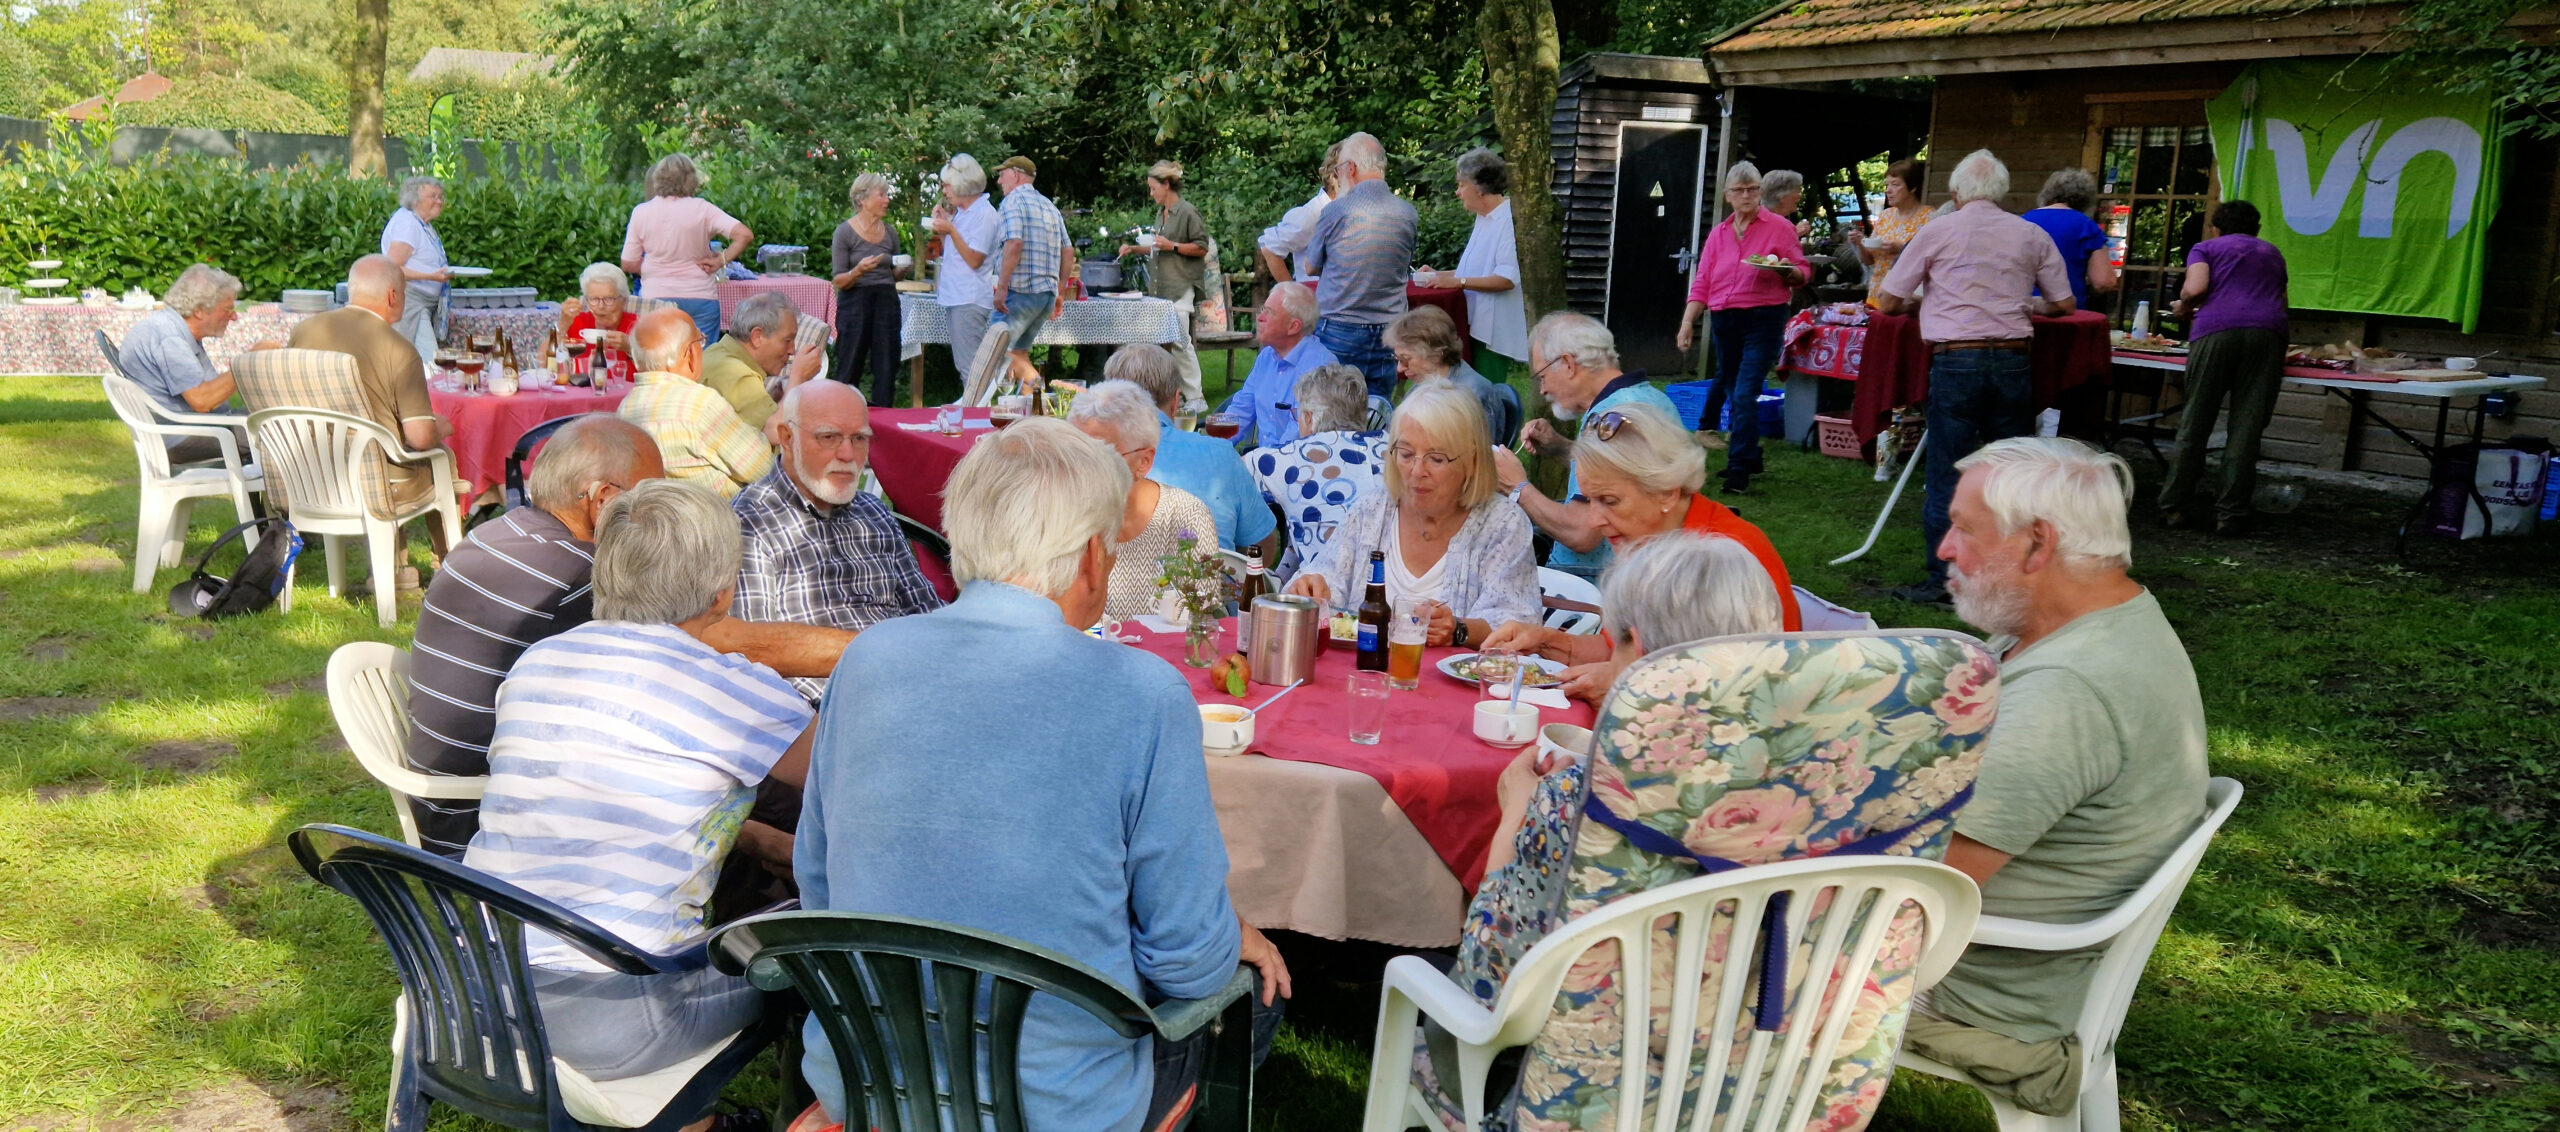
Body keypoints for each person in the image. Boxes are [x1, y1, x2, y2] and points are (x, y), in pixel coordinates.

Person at [793, 415, 1289, 1132]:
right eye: (1113, 550)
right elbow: (1188, 964)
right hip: (1059, 1110)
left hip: (869, 1081)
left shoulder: (866, 660)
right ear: (1093, 556)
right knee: (1257, 996)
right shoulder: (1143, 693)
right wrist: (1224, 936)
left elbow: (820, 886)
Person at [461, 479, 811, 1101]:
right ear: (724, 589)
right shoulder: (729, 686)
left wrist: (755, 839)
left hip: (473, 991)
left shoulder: (539, 660)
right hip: (616, 1018)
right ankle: (711, 1112)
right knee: (815, 942)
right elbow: (852, 785)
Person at [1906, 437, 2208, 1116]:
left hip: (1975, 992)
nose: (1945, 549)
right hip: (2017, 961)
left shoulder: (2067, 691)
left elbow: (1917, 888)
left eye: (1964, 528)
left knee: (1665, 939)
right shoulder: (2099, 625)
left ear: (2037, 544)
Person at [406, 414, 860, 859]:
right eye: (652, 494)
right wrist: (880, 650)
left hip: (482, 832)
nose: (656, 510)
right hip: (487, 815)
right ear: (604, 499)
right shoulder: (583, 577)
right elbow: (737, 646)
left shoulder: (491, 535)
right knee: (776, 786)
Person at [1485, 401, 1802, 701]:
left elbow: (1734, 693)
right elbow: (1617, 647)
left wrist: (1628, 684)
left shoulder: (1728, 559)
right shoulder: (1650, 539)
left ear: (1666, 492)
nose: (1595, 520)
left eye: (1609, 501)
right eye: (1590, 500)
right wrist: (1544, 642)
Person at [1874, 149, 2075, 606]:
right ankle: (2012, 575)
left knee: (1949, 470)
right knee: (2010, 473)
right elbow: (2063, 304)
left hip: (1956, 359)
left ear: (1956, 192)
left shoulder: (1937, 230)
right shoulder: (2031, 232)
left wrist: (1927, 302)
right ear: (2002, 191)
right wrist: (2030, 305)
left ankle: (1946, 579)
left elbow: (1887, 302)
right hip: (2012, 359)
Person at [732, 380, 944, 701]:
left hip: (911, 685)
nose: (847, 454)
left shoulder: (873, 513)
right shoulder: (750, 522)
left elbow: (925, 612)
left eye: (859, 439)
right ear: (787, 438)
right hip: (829, 710)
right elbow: (757, 658)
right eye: (828, 437)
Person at [1285, 384, 1538, 645]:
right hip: (1364, 676)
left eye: (1437, 459)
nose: (1417, 471)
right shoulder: (1373, 509)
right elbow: (1329, 581)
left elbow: (1521, 624)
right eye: (1405, 454)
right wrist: (1312, 588)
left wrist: (1459, 630)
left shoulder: (1503, 524)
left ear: (1472, 461)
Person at [272, 254, 453, 525]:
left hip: (307, 472)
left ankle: (399, 562)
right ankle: (445, 553)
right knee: (441, 454)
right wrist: (441, 426)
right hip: (375, 481)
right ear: (393, 296)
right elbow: (420, 438)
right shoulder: (400, 349)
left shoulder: (304, 330)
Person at [1503, 312, 1680, 581]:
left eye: (1542, 377)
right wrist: (1561, 448)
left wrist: (1516, 487)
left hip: (1594, 590)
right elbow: (1619, 476)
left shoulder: (1611, 417)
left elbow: (1581, 534)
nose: (1542, 390)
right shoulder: (1648, 398)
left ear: (1567, 364)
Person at [1673, 161, 1807, 494]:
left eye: (1752, 189)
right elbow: (1702, 281)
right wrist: (1688, 321)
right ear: (1727, 196)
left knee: (1746, 391)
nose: (1746, 195)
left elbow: (1802, 271)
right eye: (1739, 190)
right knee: (1734, 390)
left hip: (1764, 317)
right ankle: (1749, 454)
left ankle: (1738, 471)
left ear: (1760, 192)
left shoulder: (1779, 227)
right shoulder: (1719, 234)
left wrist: (1786, 272)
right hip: (1724, 319)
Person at [2162, 200, 2289, 536]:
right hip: (2268, 336)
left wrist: (2183, 307)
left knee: (2196, 421)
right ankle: (2230, 513)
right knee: (2246, 429)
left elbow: (2196, 288)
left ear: (2215, 228)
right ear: (2257, 229)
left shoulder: (2205, 248)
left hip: (2215, 332)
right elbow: (2282, 301)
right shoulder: (2272, 253)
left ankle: (2175, 507)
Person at [1066, 381, 1222, 620]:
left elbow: (1202, 625)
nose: (1080, 466)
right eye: (1075, 451)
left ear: (1144, 462)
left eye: (1099, 454)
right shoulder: (1060, 515)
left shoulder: (1185, 517)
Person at [1103, 345, 1276, 558]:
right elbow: (1262, 549)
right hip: (1208, 585)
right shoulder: (1220, 454)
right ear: (1176, 401)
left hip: (1114, 586)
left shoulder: (1087, 457)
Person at [117, 263, 277, 460]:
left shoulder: (169, 326)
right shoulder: (170, 339)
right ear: (200, 311)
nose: (234, 317)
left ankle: (270, 488)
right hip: (185, 437)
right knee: (292, 430)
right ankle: (292, 489)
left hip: (191, 428)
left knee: (280, 418)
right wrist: (247, 362)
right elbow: (202, 401)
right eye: (227, 310)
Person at [1304, 131, 1417, 398]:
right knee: (1378, 409)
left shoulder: (1337, 210)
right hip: (1390, 329)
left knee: (1332, 407)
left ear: (1350, 168)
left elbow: (1310, 266)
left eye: (1340, 167)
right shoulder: (1408, 213)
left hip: (1341, 325)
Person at [618, 307, 774, 497]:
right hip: (718, 519)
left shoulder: (626, 407)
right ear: (691, 353)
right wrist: (770, 431)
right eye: (700, 342)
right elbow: (764, 469)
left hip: (658, 517)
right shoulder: (700, 403)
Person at [1248, 363, 1385, 579]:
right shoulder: (1395, 449)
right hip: (1391, 583)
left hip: (1326, 592)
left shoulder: (1290, 458)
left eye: (1297, 414)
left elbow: (1226, 473)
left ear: (1309, 418)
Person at [1415, 147, 1527, 380]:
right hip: (1473, 322)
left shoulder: (1508, 220)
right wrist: (1439, 275)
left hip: (1492, 331)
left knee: (1488, 398)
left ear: (1479, 187)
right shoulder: (1484, 218)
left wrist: (1457, 281)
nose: (1457, 192)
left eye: (1461, 184)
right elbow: (1477, 270)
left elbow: (1506, 279)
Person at [622, 154, 752, 342]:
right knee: (703, 360)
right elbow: (744, 235)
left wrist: (656, 267)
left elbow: (628, 263)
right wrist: (721, 260)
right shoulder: (703, 209)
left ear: (657, 178)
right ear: (692, 179)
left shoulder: (641, 211)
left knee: (657, 357)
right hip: (700, 295)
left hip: (656, 296)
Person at [1117, 160, 1210, 410]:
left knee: (1180, 342)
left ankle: (1196, 398)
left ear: (1167, 184)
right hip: (1161, 290)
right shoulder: (1161, 214)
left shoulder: (1188, 212)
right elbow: (1159, 245)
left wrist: (1174, 246)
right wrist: (1134, 249)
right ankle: (1167, 397)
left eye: (1153, 188)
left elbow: (1202, 246)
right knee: (1160, 344)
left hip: (1180, 286)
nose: (1151, 193)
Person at [1215, 281, 1337, 450]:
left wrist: (1253, 463)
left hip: (1297, 467)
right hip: (1265, 462)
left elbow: (1297, 441)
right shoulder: (1266, 357)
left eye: (1269, 312)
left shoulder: (1321, 368)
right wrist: (1212, 447)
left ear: (1293, 326)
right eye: (1262, 309)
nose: (1260, 317)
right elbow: (1241, 410)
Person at [992, 156, 1073, 393]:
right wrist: (1059, 292)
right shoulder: (1049, 206)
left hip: (1020, 292)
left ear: (1016, 175)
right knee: (1019, 354)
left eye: (1002, 174)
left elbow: (1014, 243)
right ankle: (1032, 418)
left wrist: (1002, 287)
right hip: (1045, 296)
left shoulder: (1012, 202)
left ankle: (1046, 400)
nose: (998, 181)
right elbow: (1067, 251)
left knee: (996, 352)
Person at [1385, 305, 1517, 446]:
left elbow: (1475, 460)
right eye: (1397, 359)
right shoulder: (1421, 386)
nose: (1399, 369)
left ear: (1435, 354)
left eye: (1405, 359)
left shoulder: (1473, 395)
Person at [830, 173, 906, 407]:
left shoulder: (891, 232)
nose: (886, 200)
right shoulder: (844, 232)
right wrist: (858, 271)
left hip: (886, 300)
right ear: (863, 199)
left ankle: (885, 419)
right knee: (850, 360)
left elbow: (892, 277)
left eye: (886, 194)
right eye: (881, 195)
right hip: (855, 301)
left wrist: (902, 269)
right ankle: (842, 413)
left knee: (886, 364)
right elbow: (839, 281)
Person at [927, 154, 1003, 384]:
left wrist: (950, 230)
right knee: (965, 364)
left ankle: (977, 415)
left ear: (963, 184)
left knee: (971, 367)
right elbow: (956, 252)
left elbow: (974, 260)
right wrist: (944, 229)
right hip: (956, 296)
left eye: (948, 185)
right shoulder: (964, 213)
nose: (944, 191)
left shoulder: (984, 215)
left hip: (969, 298)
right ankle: (975, 413)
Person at [698, 291, 821, 431]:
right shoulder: (739, 375)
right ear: (757, 337)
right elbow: (777, 432)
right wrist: (797, 379)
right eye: (787, 340)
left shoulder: (716, 352)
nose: (792, 350)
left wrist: (776, 399)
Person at [2021, 168, 2119, 310]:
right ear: (2086, 200)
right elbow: (2103, 281)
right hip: (2066, 312)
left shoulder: (2023, 221)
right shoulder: (2087, 227)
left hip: (2023, 311)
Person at [379, 176, 449, 366]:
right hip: (411, 303)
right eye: (433, 196)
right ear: (415, 199)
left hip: (421, 303)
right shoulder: (408, 224)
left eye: (441, 196)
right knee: (429, 360)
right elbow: (391, 268)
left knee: (419, 361)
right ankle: (430, 395)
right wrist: (432, 276)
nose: (439, 201)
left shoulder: (420, 223)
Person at [1257, 143, 1343, 282]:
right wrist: (1293, 294)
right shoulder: (1314, 213)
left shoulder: (1347, 210)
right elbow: (1270, 248)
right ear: (1338, 173)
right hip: (1314, 297)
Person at [1855, 159, 1931, 308]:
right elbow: (1869, 261)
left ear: (1913, 187)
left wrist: (1902, 249)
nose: (1888, 190)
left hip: (1904, 304)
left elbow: (1931, 259)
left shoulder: (1929, 217)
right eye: (1887, 185)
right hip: (1876, 295)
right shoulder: (1885, 216)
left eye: (1895, 184)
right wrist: (1860, 244)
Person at [556, 263, 640, 374]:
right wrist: (562, 325)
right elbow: (543, 363)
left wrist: (630, 348)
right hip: (580, 390)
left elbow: (657, 371)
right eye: (594, 299)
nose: (601, 306)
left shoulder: (639, 327)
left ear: (623, 301)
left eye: (609, 299)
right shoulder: (578, 322)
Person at [1762, 167, 1814, 240]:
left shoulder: (1775, 220)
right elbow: (1765, 248)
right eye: (1797, 190)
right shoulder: (1759, 221)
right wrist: (1794, 233)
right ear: (1782, 196)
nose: (1799, 195)